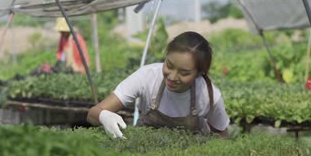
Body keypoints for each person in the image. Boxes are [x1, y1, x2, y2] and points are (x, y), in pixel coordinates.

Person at [87, 31, 229, 138]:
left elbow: (221, 133)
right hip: (145, 155)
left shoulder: (209, 95)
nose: (172, 77)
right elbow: (92, 114)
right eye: (169, 65)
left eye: (184, 73)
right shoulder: (147, 77)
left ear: (199, 73)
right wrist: (103, 115)